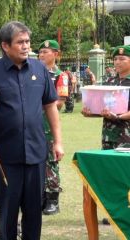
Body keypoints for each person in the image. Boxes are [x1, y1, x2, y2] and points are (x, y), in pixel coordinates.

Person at [0, 21, 64, 240]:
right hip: (5, 158)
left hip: (36, 155)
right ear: (5, 46)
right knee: (7, 216)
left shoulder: (40, 69)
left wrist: (58, 142)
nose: (26, 46)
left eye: (27, 41)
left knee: (33, 215)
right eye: (20, 42)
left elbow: (50, 105)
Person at [81, 45, 130, 231]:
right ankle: (114, 213)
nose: (117, 62)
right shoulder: (110, 81)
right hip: (109, 135)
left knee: (125, 175)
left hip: (127, 137)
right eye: (116, 59)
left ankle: (125, 213)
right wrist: (90, 112)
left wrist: (117, 116)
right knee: (111, 175)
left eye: (122, 59)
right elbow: (101, 105)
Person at [38, 39, 68, 215]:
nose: (41, 55)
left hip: (49, 125)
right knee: (37, 162)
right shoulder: (36, 72)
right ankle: (40, 196)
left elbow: (59, 102)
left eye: (46, 52)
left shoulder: (60, 76)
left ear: (56, 54)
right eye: (40, 52)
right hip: (34, 125)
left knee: (51, 162)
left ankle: (53, 199)